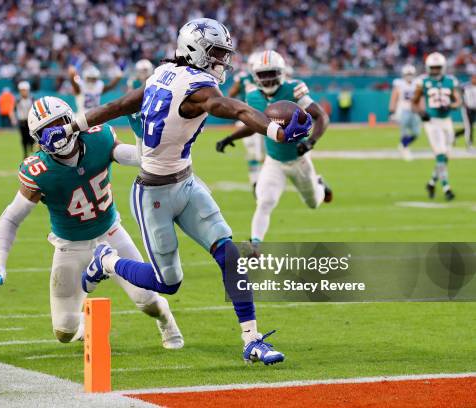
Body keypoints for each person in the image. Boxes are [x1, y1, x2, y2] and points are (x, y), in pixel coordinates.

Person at [40, 18, 311, 365]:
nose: (221, 61)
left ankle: (252, 339)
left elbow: (123, 104)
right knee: (168, 283)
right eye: (215, 53)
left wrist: (76, 123)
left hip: (186, 182)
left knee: (230, 254)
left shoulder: (163, 71)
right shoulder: (199, 88)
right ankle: (105, 261)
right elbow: (236, 109)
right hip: (153, 194)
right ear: (195, 49)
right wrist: (274, 130)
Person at [0, 96, 183, 349]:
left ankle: (167, 322)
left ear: (71, 121)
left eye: (58, 124)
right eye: (45, 130)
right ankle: (89, 329)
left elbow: (137, 158)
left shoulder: (98, 138)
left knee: (148, 300)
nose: (54, 133)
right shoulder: (39, 171)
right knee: (64, 331)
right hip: (70, 246)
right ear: (37, 137)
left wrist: (144, 139)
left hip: (110, 234)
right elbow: (11, 218)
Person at [216, 50, 332, 247]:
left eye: (272, 73)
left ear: (281, 72)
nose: (268, 79)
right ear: (255, 76)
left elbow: (321, 115)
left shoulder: (294, 89)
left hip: (298, 159)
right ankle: (255, 245)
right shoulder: (253, 97)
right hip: (274, 161)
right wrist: (230, 137)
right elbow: (253, 126)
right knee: (264, 202)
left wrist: (311, 142)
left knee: (313, 203)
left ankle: (319, 184)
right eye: (263, 74)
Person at [412, 52, 462, 201]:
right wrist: (422, 113)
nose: (434, 71)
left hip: (446, 121)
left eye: (437, 68)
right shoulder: (423, 82)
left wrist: (450, 106)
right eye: (432, 68)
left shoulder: (450, 81)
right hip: (432, 122)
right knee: (440, 154)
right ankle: (447, 188)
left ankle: (431, 182)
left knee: (445, 156)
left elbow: (458, 101)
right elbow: (414, 103)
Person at [226, 52, 263, 190]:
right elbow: (231, 94)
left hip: (261, 117)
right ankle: (255, 180)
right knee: (252, 150)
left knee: (262, 153)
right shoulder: (243, 78)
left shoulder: (265, 78)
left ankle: (263, 179)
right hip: (245, 118)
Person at [389, 64, 421, 160]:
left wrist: (421, 110)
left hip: (414, 111)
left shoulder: (417, 84)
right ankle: (405, 148)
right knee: (404, 132)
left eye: (411, 73)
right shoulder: (399, 84)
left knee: (416, 133)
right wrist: (392, 111)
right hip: (403, 110)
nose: (409, 75)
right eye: (407, 73)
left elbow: (420, 98)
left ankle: (403, 145)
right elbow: (394, 98)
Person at [454, 71, 476, 150]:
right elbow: (456, 91)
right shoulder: (466, 86)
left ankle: (455, 135)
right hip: (467, 109)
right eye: (473, 78)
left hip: (474, 109)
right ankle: (469, 144)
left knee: (469, 127)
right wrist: (462, 102)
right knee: (469, 127)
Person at [15, 81, 34, 158]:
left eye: (24, 90)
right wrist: (13, 118)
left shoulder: (31, 99)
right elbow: (13, 109)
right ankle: (25, 154)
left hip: (30, 121)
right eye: (22, 90)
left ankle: (32, 150)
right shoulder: (18, 100)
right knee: (23, 139)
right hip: (22, 121)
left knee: (32, 138)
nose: (23, 92)